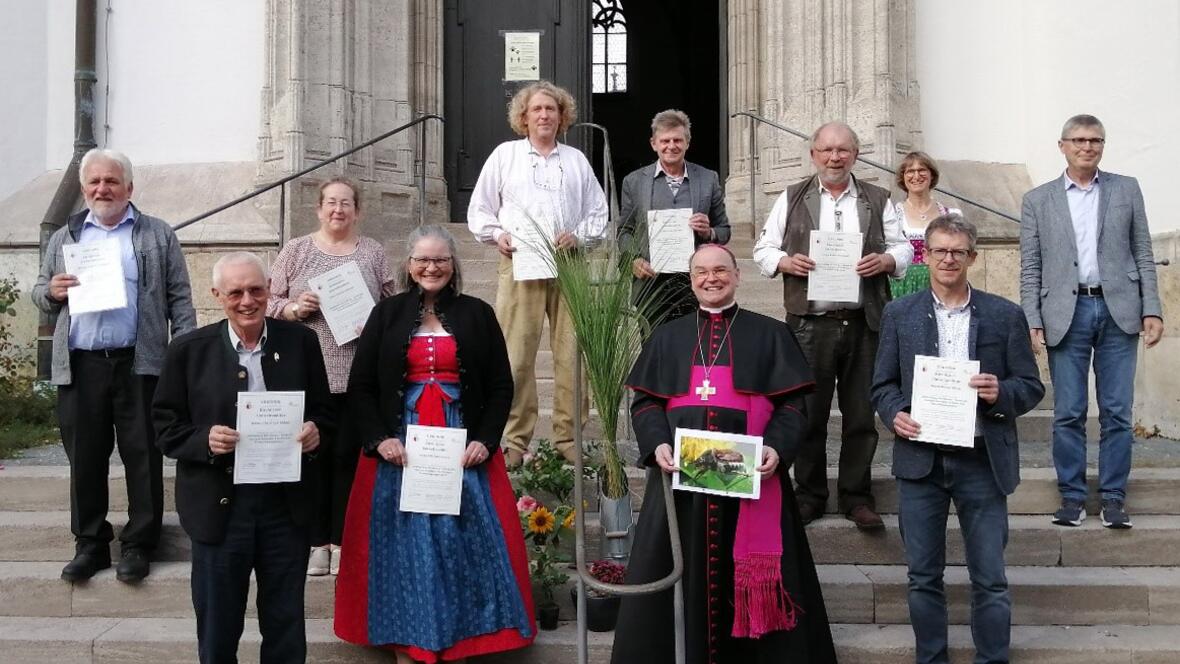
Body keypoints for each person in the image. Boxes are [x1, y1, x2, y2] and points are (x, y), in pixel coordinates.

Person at [612, 244, 837, 664]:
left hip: (752, 479)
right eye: (701, 272)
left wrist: (776, 448)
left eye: (720, 270)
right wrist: (657, 442)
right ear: (691, 278)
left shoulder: (771, 334)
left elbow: (792, 406)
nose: (710, 278)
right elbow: (644, 404)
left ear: (737, 276)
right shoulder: (667, 335)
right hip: (680, 485)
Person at [334, 225, 535, 664]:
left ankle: (459, 638)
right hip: (400, 449)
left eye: (441, 259)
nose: (431, 267)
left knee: (459, 543)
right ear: (408, 266)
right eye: (423, 260)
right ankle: (409, 639)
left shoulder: (478, 313)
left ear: (453, 265)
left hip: (460, 446)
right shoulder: (386, 314)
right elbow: (362, 386)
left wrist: (485, 439)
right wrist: (379, 439)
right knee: (402, 548)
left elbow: (502, 385)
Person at [872, 215, 1044, 664]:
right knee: (922, 575)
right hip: (920, 460)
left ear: (972, 257)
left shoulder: (1005, 314)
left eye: (958, 251)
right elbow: (882, 385)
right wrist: (895, 415)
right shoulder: (899, 314)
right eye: (940, 251)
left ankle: (993, 659)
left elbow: (1031, 384)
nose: (949, 259)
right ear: (925, 256)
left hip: (981, 460)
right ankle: (932, 659)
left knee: (990, 576)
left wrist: (1000, 392)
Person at [153, 252, 333, 664]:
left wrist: (315, 432)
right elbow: (164, 428)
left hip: (284, 508)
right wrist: (204, 440)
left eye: (256, 289)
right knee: (218, 628)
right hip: (219, 510)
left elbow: (326, 412)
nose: (247, 300)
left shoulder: (300, 342)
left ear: (270, 289)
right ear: (217, 295)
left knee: (285, 625)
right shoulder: (187, 351)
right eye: (235, 292)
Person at [31, 148, 196, 583]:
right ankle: (90, 543)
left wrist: (184, 359)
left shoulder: (156, 234)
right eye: (94, 182)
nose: (102, 189)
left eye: (111, 181)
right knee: (85, 456)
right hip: (82, 364)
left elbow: (180, 298)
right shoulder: (65, 236)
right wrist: (51, 291)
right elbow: (39, 291)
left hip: (138, 364)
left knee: (144, 454)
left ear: (129, 188)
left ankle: (140, 543)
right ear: (84, 189)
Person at [752, 121, 913, 530]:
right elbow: (763, 249)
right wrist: (785, 262)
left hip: (864, 321)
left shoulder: (878, 199)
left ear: (856, 154)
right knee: (808, 414)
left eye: (842, 150)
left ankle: (857, 497)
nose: (834, 157)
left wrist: (887, 261)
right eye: (826, 150)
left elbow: (903, 247)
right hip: (810, 323)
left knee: (861, 414)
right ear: (813, 155)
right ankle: (809, 495)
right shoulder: (792, 197)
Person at [1020, 114, 1164, 529]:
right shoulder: (1038, 200)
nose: (1088, 147)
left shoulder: (1125, 189)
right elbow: (1031, 266)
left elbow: (1142, 251)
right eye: (1079, 140)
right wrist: (1032, 317)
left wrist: (1151, 308)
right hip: (1067, 311)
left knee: (1118, 411)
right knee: (1068, 411)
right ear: (1062, 145)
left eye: (1095, 140)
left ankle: (1115, 497)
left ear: (1103, 145)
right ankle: (1071, 496)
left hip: (1119, 309)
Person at [467, 80, 608, 466]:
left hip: (569, 266)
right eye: (537, 109)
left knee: (571, 354)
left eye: (552, 109)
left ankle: (569, 437)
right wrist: (499, 234)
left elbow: (598, 211)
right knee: (516, 355)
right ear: (523, 118)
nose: (544, 115)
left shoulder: (576, 160)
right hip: (519, 262)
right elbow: (479, 210)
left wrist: (580, 236)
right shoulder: (505, 156)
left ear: (562, 117)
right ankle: (514, 440)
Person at [266, 176, 396, 577]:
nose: (338, 210)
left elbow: (393, 307)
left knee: (348, 460)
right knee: (311, 459)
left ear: (358, 210)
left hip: (358, 375)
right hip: (306, 373)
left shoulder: (373, 252)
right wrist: (292, 308)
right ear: (319, 209)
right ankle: (315, 542)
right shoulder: (296, 250)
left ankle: (341, 541)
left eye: (346, 203)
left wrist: (373, 321)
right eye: (331, 203)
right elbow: (265, 300)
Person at [618, 109, 731, 323]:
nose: (671, 146)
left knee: (696, 350)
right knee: (655, 348)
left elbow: (724, 231)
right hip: (651, 283)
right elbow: (625, 231)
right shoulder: (633, 182)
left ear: (687, 142)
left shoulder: (708, 179)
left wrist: (709, 232)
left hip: (696, 282)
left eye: (678, 140)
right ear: (654, 143)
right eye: (665, 140)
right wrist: (633, 260)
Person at [890, 151, 960, 298]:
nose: (916, 176)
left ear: (932, 175)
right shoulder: (893, 215)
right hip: (903, 285)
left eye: (922, 170)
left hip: (942, 283)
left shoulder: (951, 216)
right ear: (903, 177)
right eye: (910, 171)